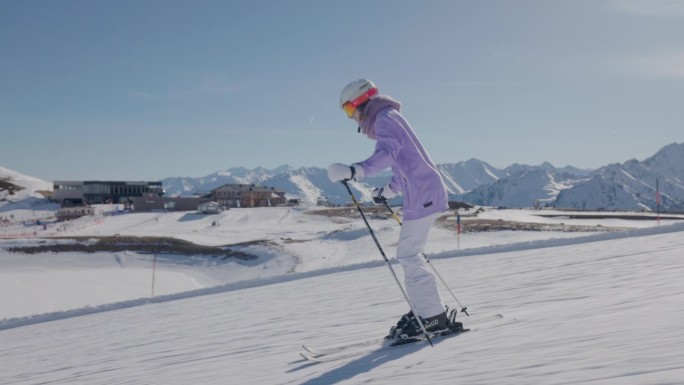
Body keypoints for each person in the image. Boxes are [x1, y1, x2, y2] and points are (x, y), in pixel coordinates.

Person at [327, 79, 451, 340]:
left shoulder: (384, 118)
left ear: (361, 101)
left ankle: (431, 317)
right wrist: (389, 191)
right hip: (422, 192)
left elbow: (388, 153)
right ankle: (425, 310)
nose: (351, 118)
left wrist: (356, 170)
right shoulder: (389, 117)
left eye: (349, 110)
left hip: (423, 195)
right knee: (410, 253)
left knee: (408, 254)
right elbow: (403, 163)